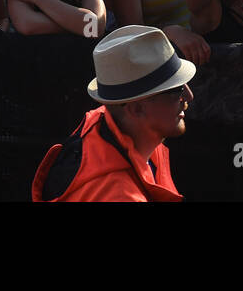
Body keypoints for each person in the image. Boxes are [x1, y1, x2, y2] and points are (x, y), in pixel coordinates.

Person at [32, 24, 191, 202]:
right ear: (136, 109)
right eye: (176, 89)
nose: (189, 96)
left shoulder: (105, 121)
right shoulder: (119, 196)